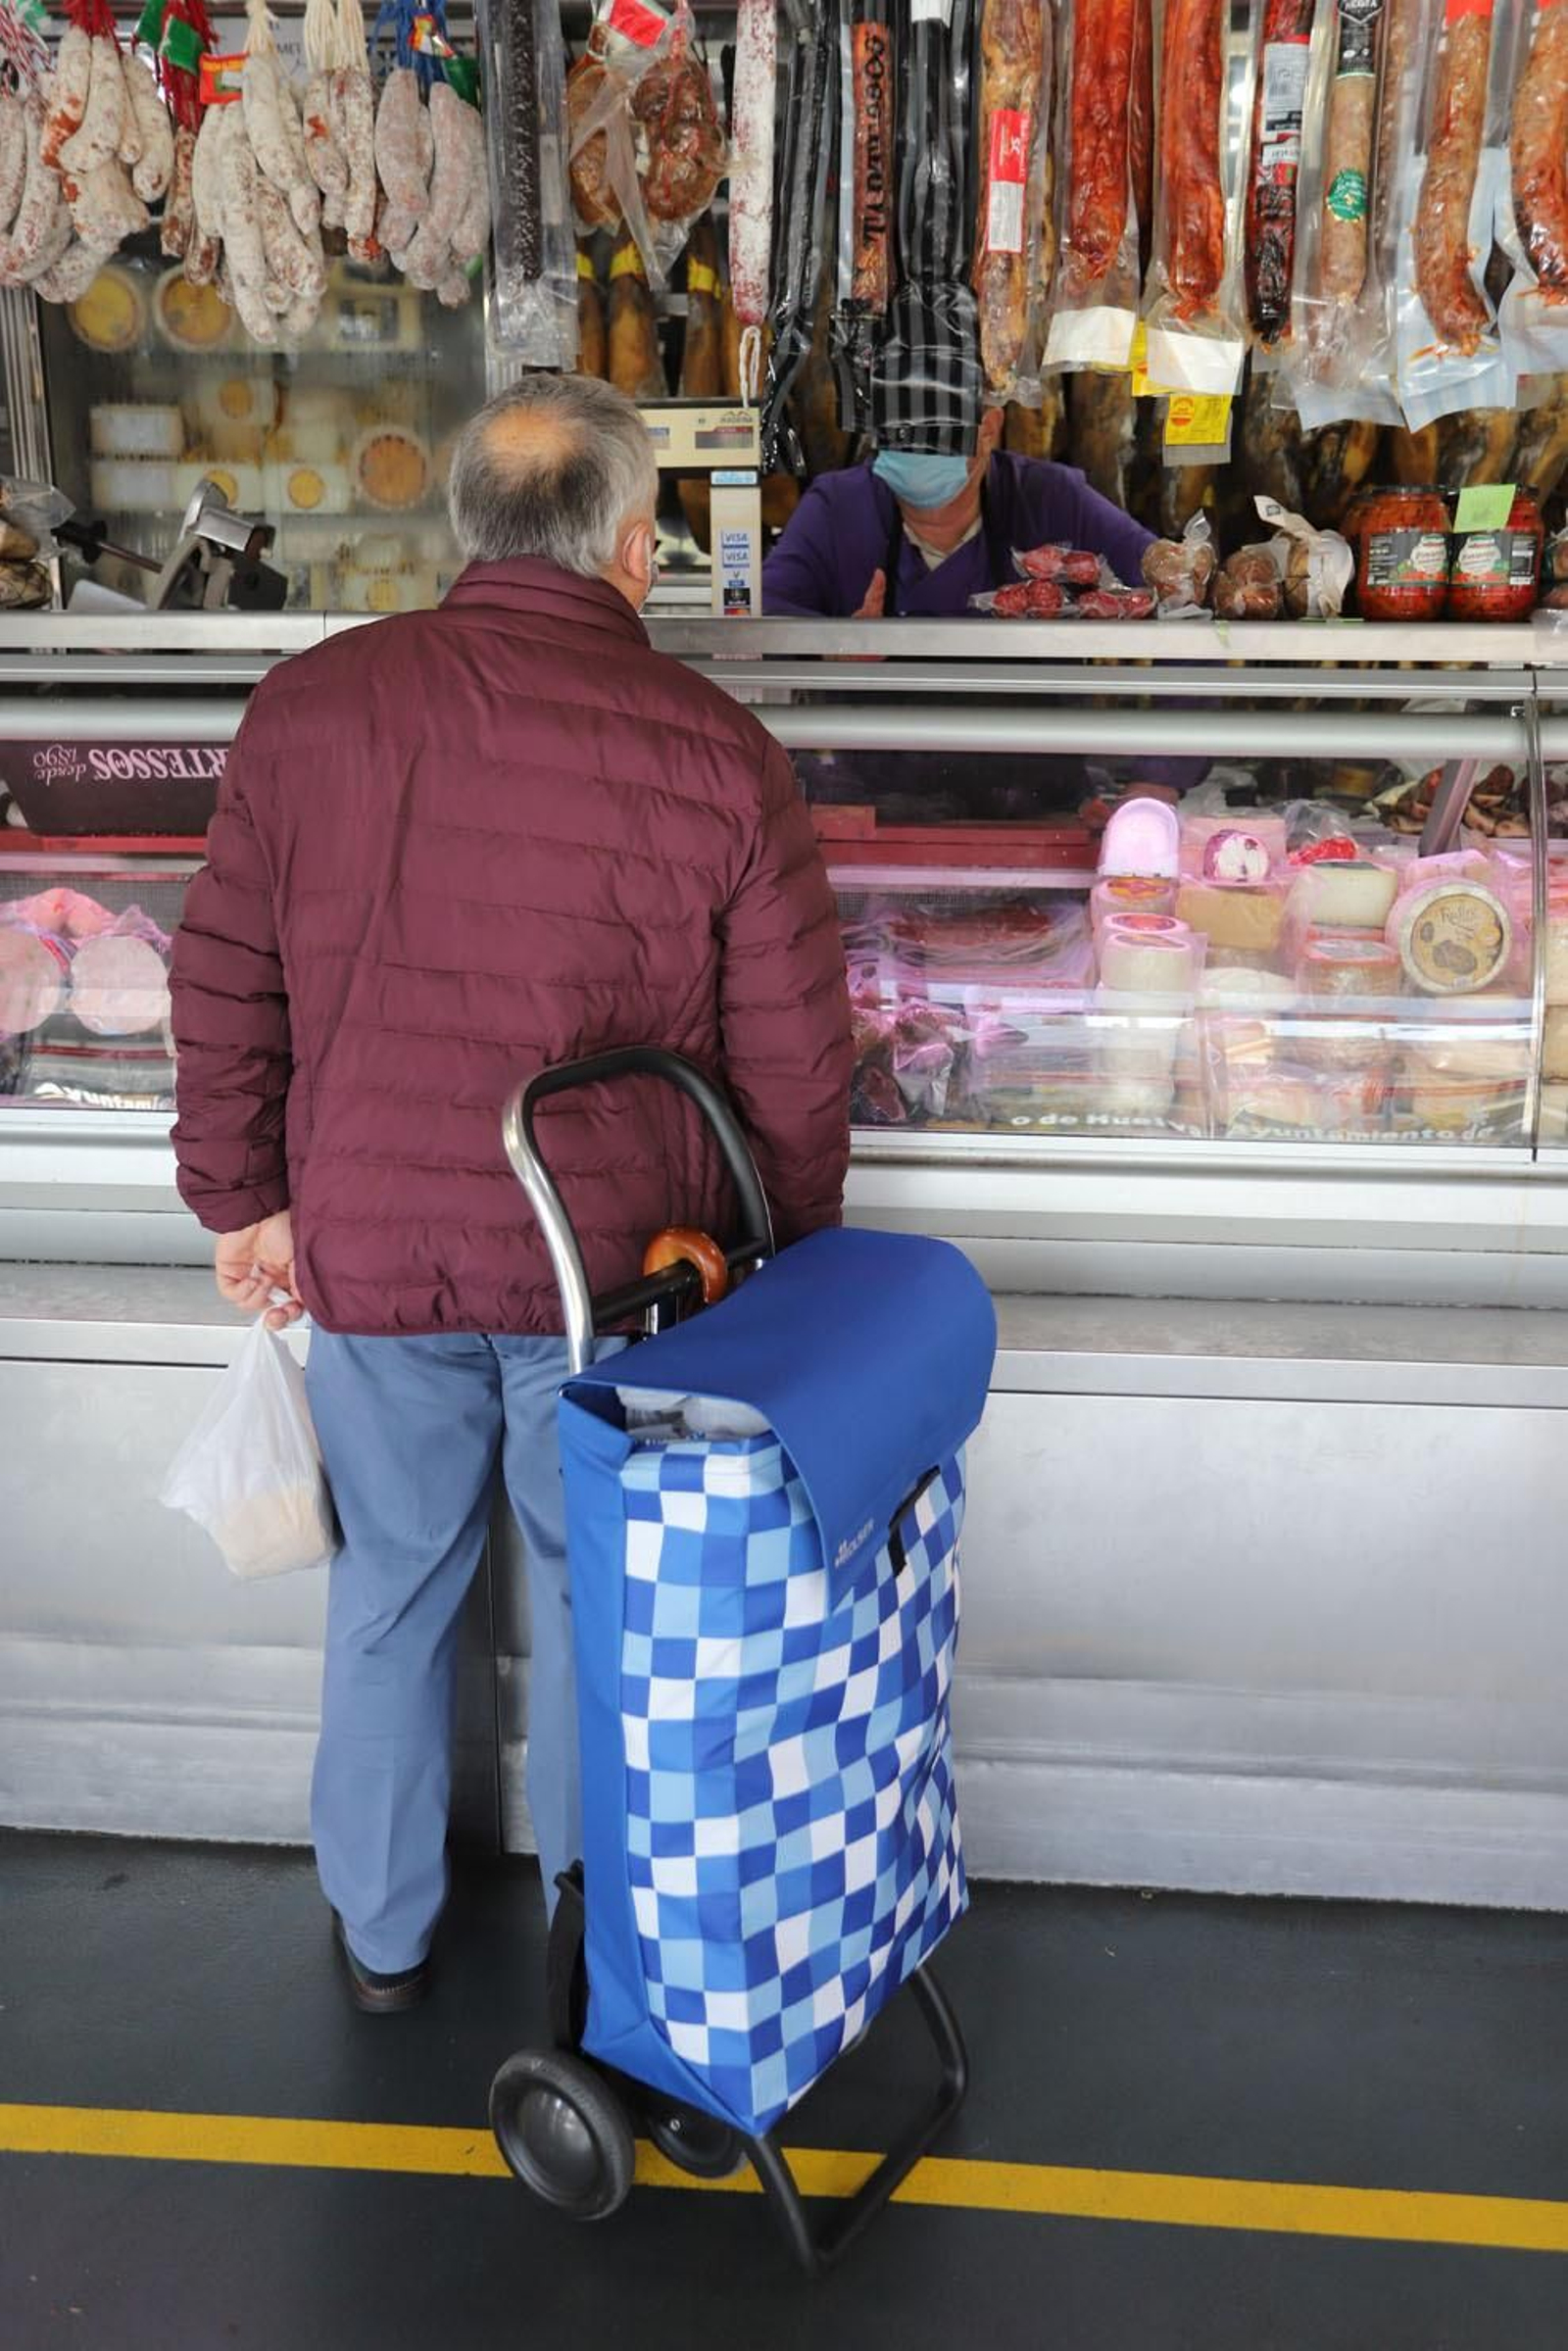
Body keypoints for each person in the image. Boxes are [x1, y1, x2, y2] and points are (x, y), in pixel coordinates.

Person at [170, 374, 853, 2015]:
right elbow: (795, 1058)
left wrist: (239, 1198)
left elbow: (221, 974)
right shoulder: (720, 748)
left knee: (390, 1588)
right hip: (606, 1272)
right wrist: (798, 1252)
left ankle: (385, 1935)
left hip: (378, 1256)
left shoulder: (309, 707)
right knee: (604, 1601)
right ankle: (602, 1929)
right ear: (634, 546)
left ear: (470, 530)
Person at [762, 405, 1154, 620]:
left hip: (1033, 762)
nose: (915, 445)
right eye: (900, 426)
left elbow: (1178, 603)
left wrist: (1158, 770)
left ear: (988, 427)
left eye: (935, 427)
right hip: (873, 763)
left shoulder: (1051, 498)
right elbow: (760, 622)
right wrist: (831, 651)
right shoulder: (838, 507)